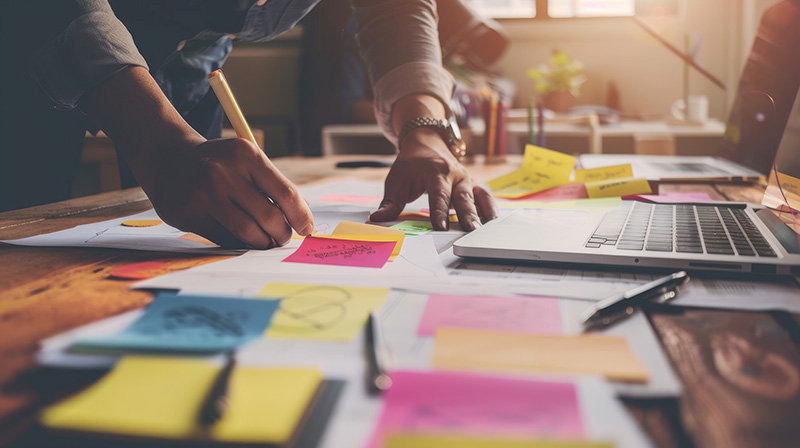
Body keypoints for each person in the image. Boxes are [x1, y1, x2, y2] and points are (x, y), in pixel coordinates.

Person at [0, 0, 498, 249]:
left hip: (194, 67)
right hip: (31, 56)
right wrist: (157, 140)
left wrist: (425, 129)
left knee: (193, 242)